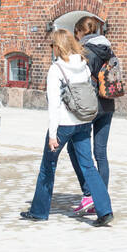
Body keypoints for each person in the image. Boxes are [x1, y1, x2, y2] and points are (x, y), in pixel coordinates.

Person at [20, 29, 113, 226]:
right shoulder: (83, 65)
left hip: (64, 124)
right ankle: (105, 210)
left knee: (48, 166)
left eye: (52, 45)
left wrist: (53, 135)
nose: (51, 48)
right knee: (88, 165)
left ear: (58, 46)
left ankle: (38, 211)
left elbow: (54, 105)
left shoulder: (57, 69)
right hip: (83, 122)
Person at [69, 16, 115, 215]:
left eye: (76, 32)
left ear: (81, 31)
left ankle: (89, 194)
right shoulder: (108, 48)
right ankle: (100, 198)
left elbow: (79, 81)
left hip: (89, 107)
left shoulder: (85, 51)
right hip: (108, 104)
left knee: (77, 150)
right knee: (101, 153)